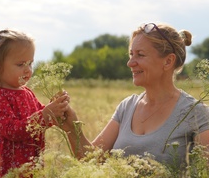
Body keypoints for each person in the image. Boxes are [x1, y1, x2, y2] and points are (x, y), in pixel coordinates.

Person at [62, 22, 209, 168]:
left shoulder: (196, 113)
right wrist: (71, 126)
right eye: (131, 54)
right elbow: (90, 160)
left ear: (168, 61)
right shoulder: (127, 106)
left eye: (140, 55)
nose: (130, 63)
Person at [0, 29, 69, 178]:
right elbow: (12, 130)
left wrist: (56, 108)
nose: (28, 69)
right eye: (21, 64)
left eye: (30, 63)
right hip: (7, 168)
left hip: (31, 162)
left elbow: (42, 121)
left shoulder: (27, 93)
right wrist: (45, 114)